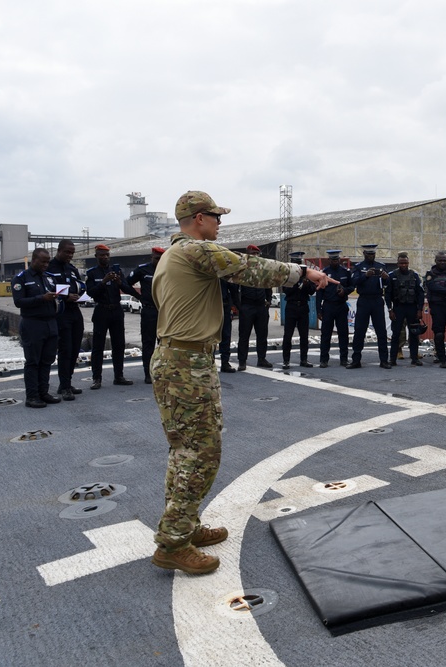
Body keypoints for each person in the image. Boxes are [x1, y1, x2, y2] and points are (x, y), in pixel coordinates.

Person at [150, 190, 335, 575]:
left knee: (184, 449)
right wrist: (305, 273)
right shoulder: (194, 251)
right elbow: (249, 268)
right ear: (199, 218)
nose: (220, 223)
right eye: (216, 216)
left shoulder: (174, 254)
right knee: (201, 452)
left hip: (181, 359)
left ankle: (186, 525)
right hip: (186, 364)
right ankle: (172, 542)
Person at [85, 244, 140, 389]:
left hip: (116, 311)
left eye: (107, 255)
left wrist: (119, 282)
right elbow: (90, 293)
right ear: (96, 256)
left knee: (119, 344)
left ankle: (119, 376)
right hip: (101, 310)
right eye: (102, 255)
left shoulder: (117, 271)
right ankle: (97, 378)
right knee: (98, 346)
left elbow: (128, 289)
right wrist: (103, 282)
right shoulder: (92, 273)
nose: (105, 257)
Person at [12, 248, 61, 408]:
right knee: (33, 361)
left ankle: (43, 392)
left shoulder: (49, 278)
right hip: (32, 323)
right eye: (43, 262)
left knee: (47, 360)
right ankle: (32, 396)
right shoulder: (21, 279)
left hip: (50, 322)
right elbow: (19, 301)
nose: (46, 265)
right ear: (34, 260)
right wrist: (41, 298)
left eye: (48, 262)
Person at [47, 240, 85, 400]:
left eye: (72, 253)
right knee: (65, 350)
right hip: (61, 313)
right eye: (67, 252)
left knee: (75, 349)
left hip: (75, 311)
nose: (70, 256)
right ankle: (64, 386)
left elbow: (79, 285)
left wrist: (81, 295)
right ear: (59, 250)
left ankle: (66, 383)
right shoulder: (49, 268)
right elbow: (48, 288)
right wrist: (65, 296)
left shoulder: (72, 269)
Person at [348, 244, 391, 369]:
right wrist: (365, 275)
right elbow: (353, 282)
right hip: (364, 300)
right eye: (368, 254)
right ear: (364, 254)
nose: (371, 256)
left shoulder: (381, 266)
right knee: (359, 331)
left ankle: (384, 360)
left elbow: (388, 283)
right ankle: (356, 360)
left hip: (377, 300)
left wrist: (386, 278)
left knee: (381, 331)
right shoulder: (358, 267)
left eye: (373, 254)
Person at [126, 247, 165, 383]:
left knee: (165, 343)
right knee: (148, 343)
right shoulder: (143, 270)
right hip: (149, 311)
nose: (159, 261)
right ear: (151, 257)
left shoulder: (168, 269)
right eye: (156, 258)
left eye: (161, 259)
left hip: (164, 312)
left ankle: (162, 372)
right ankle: (148, 373)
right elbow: (126, 283)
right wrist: (138, 296)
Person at [236, 245, 273, 370]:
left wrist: (268, 300)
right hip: (247, 306)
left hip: (261, 306)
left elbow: (268, 286)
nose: (255, 257)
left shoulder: (263, 271)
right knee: (244, 335)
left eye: (256, 254)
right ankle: (242, 361)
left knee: (262, 335)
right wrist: (239, 306)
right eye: (252, 254)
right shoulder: (242, 269)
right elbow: (235, 289)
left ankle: (261, 359)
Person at [386, 252, 425, 366]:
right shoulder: (392, 276)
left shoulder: (414, 275)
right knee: (396, 334)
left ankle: (414, 358)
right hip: (398, 308)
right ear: (397, 263)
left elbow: (420, 293)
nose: (403, 265)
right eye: (401, 263)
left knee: (414, 334)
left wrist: (419, 309)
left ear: (408, 263)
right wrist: (390, 310)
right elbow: (388, 294)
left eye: (405, 263)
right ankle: (392, 359)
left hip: (412, 308)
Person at [316, 249, 353, 368]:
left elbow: (352, 286)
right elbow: (319, 292)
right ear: (329, 260)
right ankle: (324, 359)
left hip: (341, 306)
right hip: (328, 306)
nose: (335, 262)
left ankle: (344, 359)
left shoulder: (345, 272)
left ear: (339, 260)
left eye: (337, 260)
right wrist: (318, 310)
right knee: (326, 334)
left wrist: (345, 291)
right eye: (333, 260)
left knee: (343, 334)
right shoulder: (324, 273)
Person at [281, 251, 316, 368]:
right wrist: (297, 284)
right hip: (291, 306)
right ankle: (286, 360)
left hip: (303, 306)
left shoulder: (306, 275)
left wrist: (306, 285)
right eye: (295, 262)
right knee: (288, 336)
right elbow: (286, 291)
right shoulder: (288, 275)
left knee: (304, 336)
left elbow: (312, 290)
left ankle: (304, 359)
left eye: (299, 263)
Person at [218, 280, 240, 372]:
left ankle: (225, 362)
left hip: (224, 304)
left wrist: (238, 305)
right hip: (212, 304)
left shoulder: (224, 272)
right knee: (210, 335)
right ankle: (211, 360)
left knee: (226, 335)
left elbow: (233, 287)